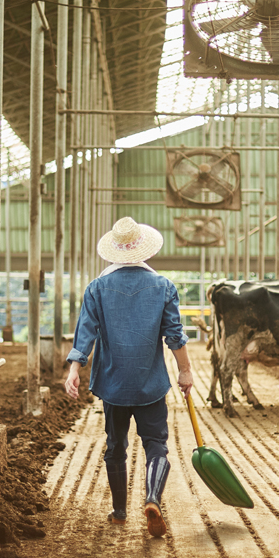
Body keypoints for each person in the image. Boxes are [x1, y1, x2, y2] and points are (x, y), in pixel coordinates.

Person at [64, 216, 193, 538]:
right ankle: (153, 499)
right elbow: (174, 335)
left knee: (115, 446)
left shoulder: (97, 288)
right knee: (156, 444)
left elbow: (85, 332)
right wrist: (185, 371)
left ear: (114, 250)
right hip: (151, 382)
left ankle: (120, 512)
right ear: (145, 249)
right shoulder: (163, 286)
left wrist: (74, 369)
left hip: (114, 383)